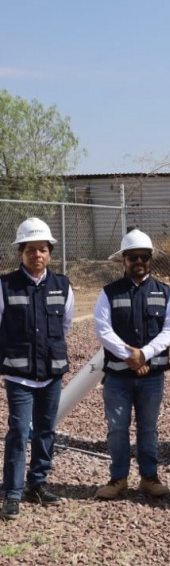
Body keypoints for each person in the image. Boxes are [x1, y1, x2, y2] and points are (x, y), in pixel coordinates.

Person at [94, 229, 170, 500]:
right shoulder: (109, 293)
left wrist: (143, 354)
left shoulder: (165, 293)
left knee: (148, 428)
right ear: (124, 259)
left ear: (151, 259)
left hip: (151, 377)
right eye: (133, 257)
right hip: (118, 377)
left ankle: (149, 478)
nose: (139, 261)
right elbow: (103, 330)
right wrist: (129, 356)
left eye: (144, 256)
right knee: (117, 429)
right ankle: (118, 478)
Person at [0, 218, 74, 521]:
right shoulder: (5, 286)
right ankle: (13, 493)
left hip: (50, 373)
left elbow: (65, 325)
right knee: (19, 431)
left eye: (42, 249)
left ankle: (37, 484)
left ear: (50, 253)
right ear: (21, 252)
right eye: (30, 250)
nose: (37, 255)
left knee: (46, 430)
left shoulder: (62, 285)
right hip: (19, 376)